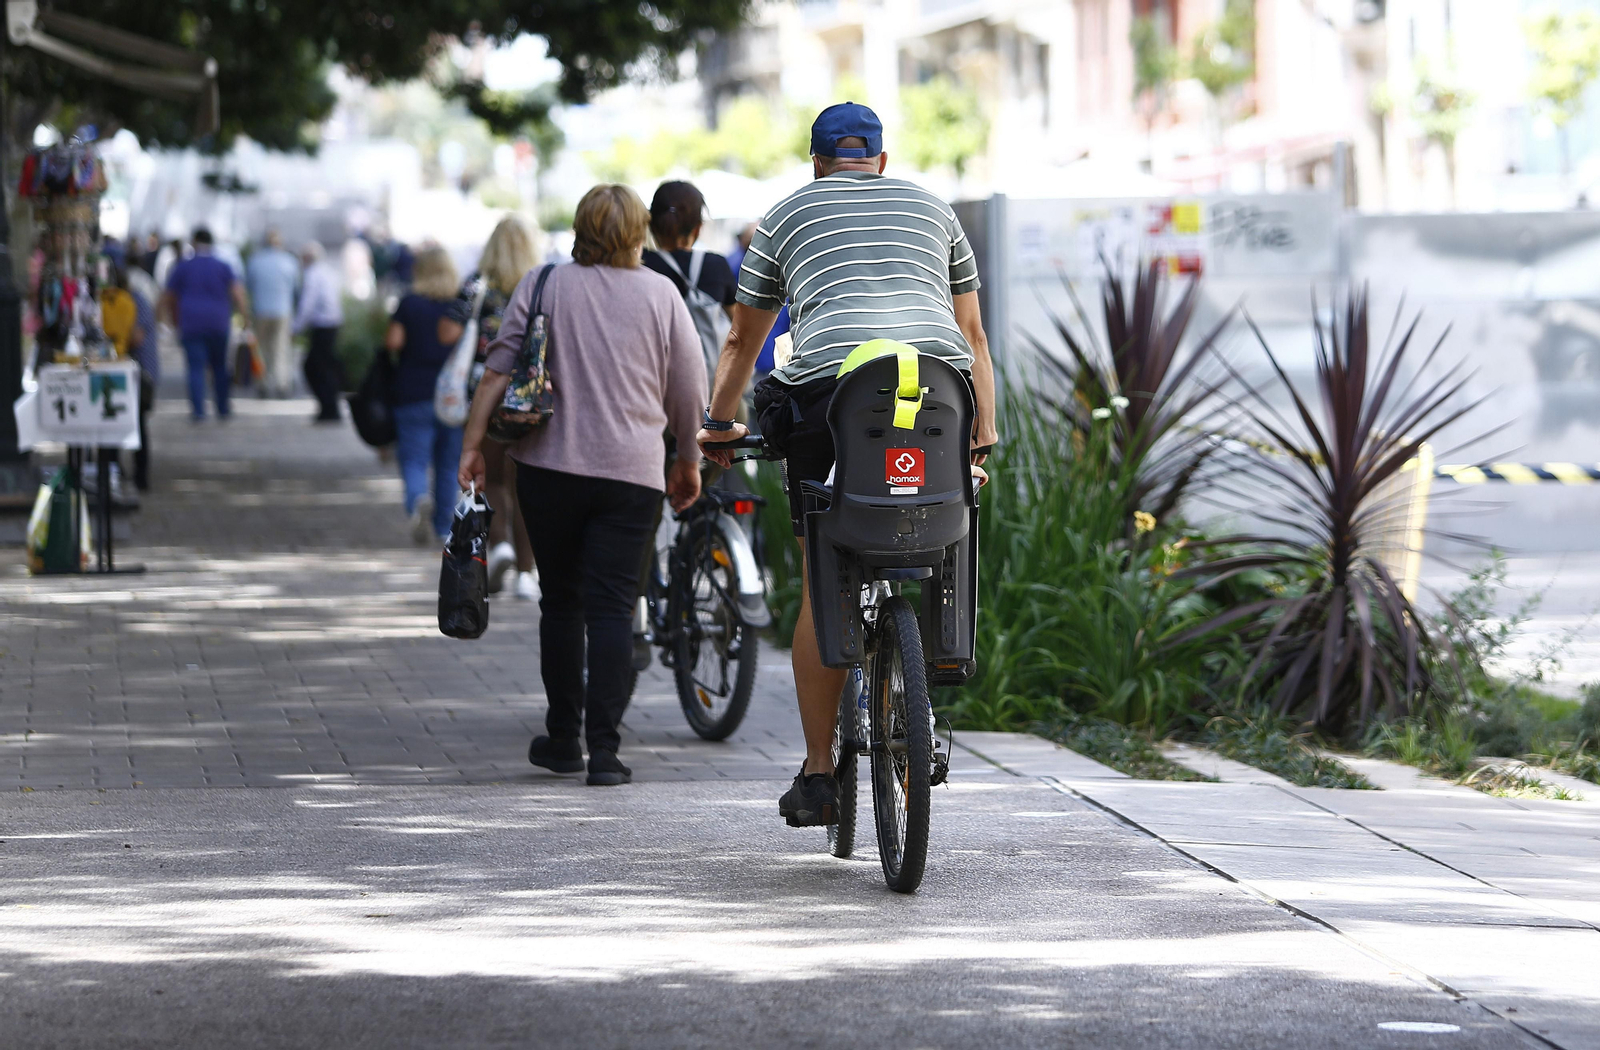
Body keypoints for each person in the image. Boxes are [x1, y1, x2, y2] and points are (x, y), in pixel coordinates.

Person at [697, 102, 998, 827]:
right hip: (938, 397)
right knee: (935, 520)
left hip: (833, 400)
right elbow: (973, 333)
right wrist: (981, 439)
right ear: (883, 161)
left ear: (817, 162)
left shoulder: (786, 216)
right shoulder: (935, 211)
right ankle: (929, 665)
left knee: (821, 578)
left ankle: (819, 771)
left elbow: (743, 340)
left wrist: (717, 424)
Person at [458, 184, 706, 788]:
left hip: (549, 469)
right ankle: (606, 752)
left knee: (562, 603)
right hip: (632, 475)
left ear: (581, 226)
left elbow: (497, 370)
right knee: (615, 609)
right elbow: (688, 388)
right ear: (637, 231)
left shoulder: (544, 284)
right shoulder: (661, 293)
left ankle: (563, 736)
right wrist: (689, 460)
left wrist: (471, 446)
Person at [439, 214, 540, 599]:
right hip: (529, 393)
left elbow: (447, 330)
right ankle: (527, 575)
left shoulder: (477, 284)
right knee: (524, 483)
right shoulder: (540, 284)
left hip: (484, 387)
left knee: (492, 477)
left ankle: (500, 547)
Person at [387, 246, 463, 544]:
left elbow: (394, 342)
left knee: (415, 458)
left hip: (413, 391)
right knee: (447, 464)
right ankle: (444, 527)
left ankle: (418, 498)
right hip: (452, 396)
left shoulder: (409, 303)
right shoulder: (459, 305)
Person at [161, 228, 249, 421]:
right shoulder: (223, 265)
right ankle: (223, 408)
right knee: (219, 366)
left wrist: (167, 320)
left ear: (194, 241)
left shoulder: (183, 266)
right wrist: (245, 318)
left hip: (191, 323)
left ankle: (199, 411)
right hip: (218, 322)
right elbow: (237, 293)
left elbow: (169, 296)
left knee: (195, 367)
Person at [245, 230, 302, 397]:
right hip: (282, 310)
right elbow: (296, 289)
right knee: (280, 348)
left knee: (261, 349)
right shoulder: (289, 261)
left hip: (261, 310)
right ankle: (281, 384)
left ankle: (262, 383)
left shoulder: (255, 260)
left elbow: (249, 286)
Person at [295, 241, 344, 423]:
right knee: (324, 368)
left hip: (323, 325)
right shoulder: (328, 272)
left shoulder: (312, 274)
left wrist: (296, 327)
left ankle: (329, 409)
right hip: (333, 324)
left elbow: (307, 304)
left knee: (315, 368)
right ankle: (329, 408)